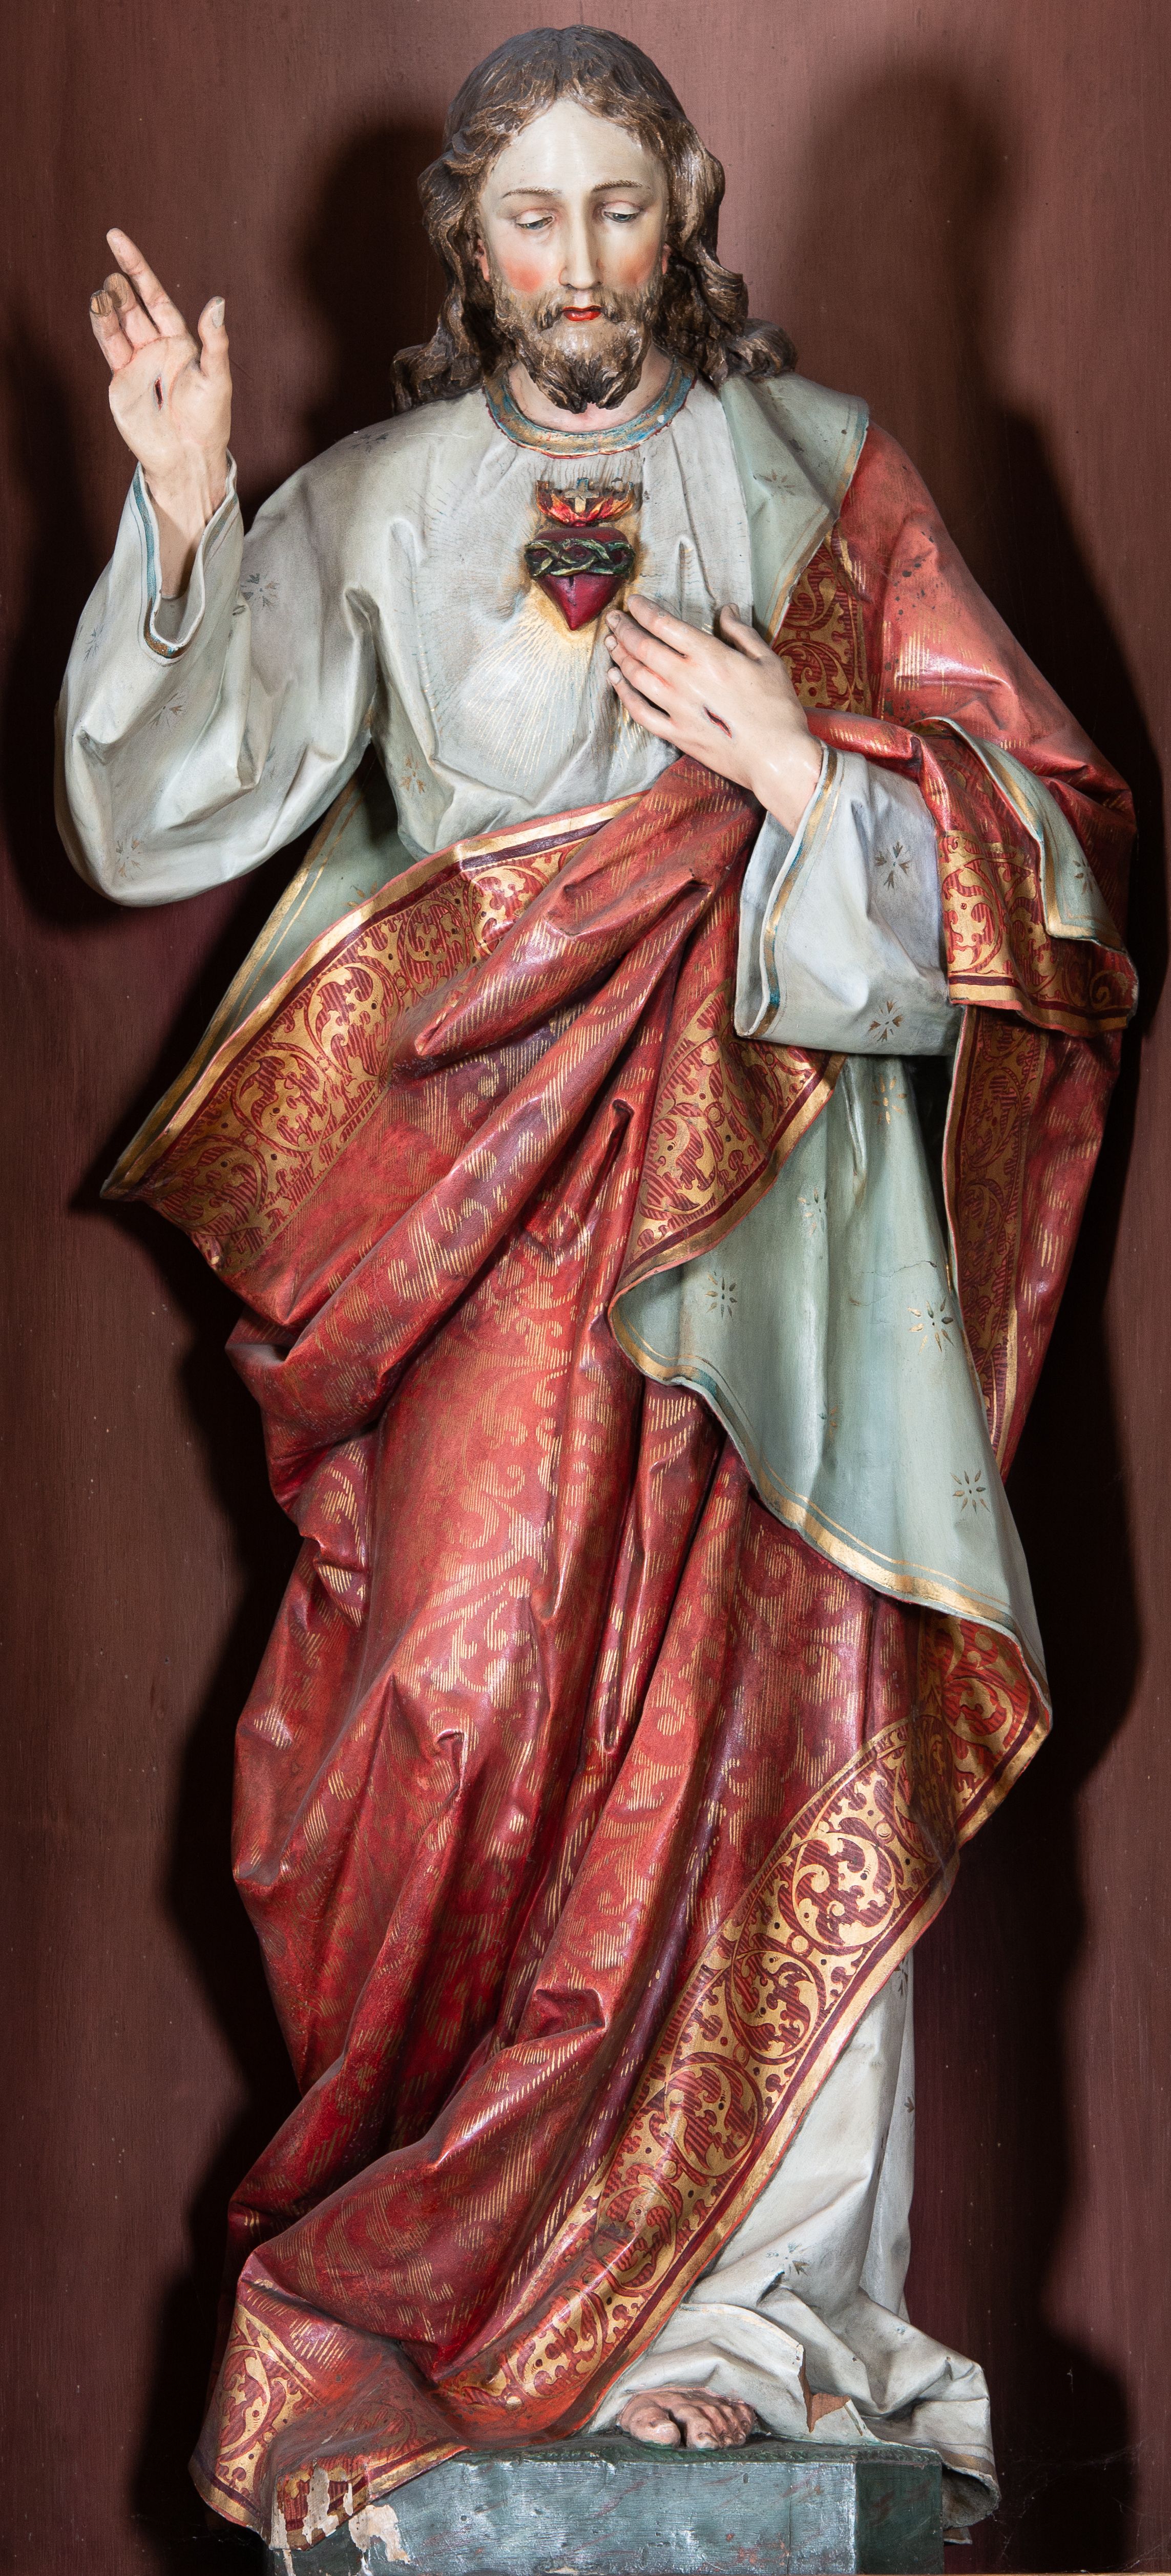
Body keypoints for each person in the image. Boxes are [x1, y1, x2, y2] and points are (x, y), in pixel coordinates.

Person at [57, 24, 1135, 2558]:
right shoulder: (378, 503)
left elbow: (1063, 864)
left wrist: (804, 773)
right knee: (440, 1708)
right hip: (469, 1228)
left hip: (781, 1260)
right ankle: (478, 2280)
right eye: (528, 213)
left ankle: (743, 2324)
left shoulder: (821, 476)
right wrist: (190, 519)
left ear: (685, 217)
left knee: (773, 1729)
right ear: (469, 240)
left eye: (618, 208)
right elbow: (161, 804)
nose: (576, 261)